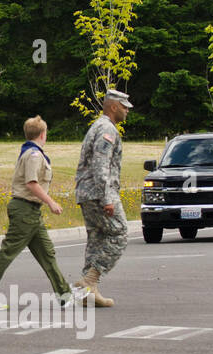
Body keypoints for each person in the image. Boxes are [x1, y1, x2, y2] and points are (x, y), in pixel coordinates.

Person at [0, 116, 79, 310]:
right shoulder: (34, 155)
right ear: (43, 134)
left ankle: (65, 295)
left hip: (31, 211)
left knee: (47, 254)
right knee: (8, 252)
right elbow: (31, 183)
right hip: (25, 209)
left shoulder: (31, 152)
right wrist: (51, 202)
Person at [72, 88, 133, 308]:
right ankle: (90, 280)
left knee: (97, 238)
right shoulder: (107, 129)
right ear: (114, 106)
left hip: (88, 192)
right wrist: (107, 197)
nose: (127, 111)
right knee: (120, 233)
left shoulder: (98, 126)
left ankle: (89, 291)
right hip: (99, 193)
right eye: (124, 107)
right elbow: (100, 165)